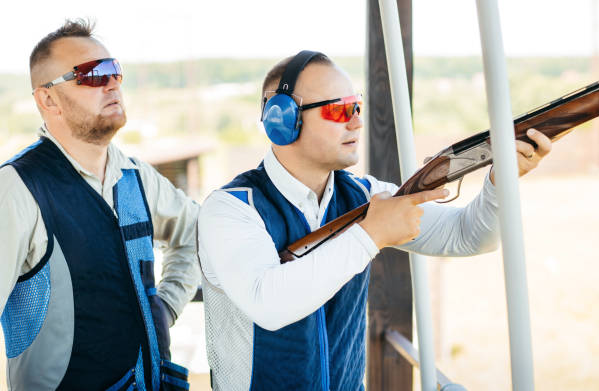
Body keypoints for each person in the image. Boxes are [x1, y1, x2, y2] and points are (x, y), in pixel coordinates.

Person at [197, 50, 552, 391]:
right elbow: (268, 304)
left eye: (357, 106)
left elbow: (470, 236)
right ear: (284, 121)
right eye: (339, 110)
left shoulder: (366, 196)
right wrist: (371, 234)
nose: (357, 121)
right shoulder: (231, 209)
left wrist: (499, 182)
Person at [0, 19, 197, 391]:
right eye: (91, 74)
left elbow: (195, 234)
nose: (111, 83)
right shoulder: (16, 189)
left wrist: (164, 308)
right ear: (47, 98)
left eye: (115, 71)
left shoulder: (136, 175)